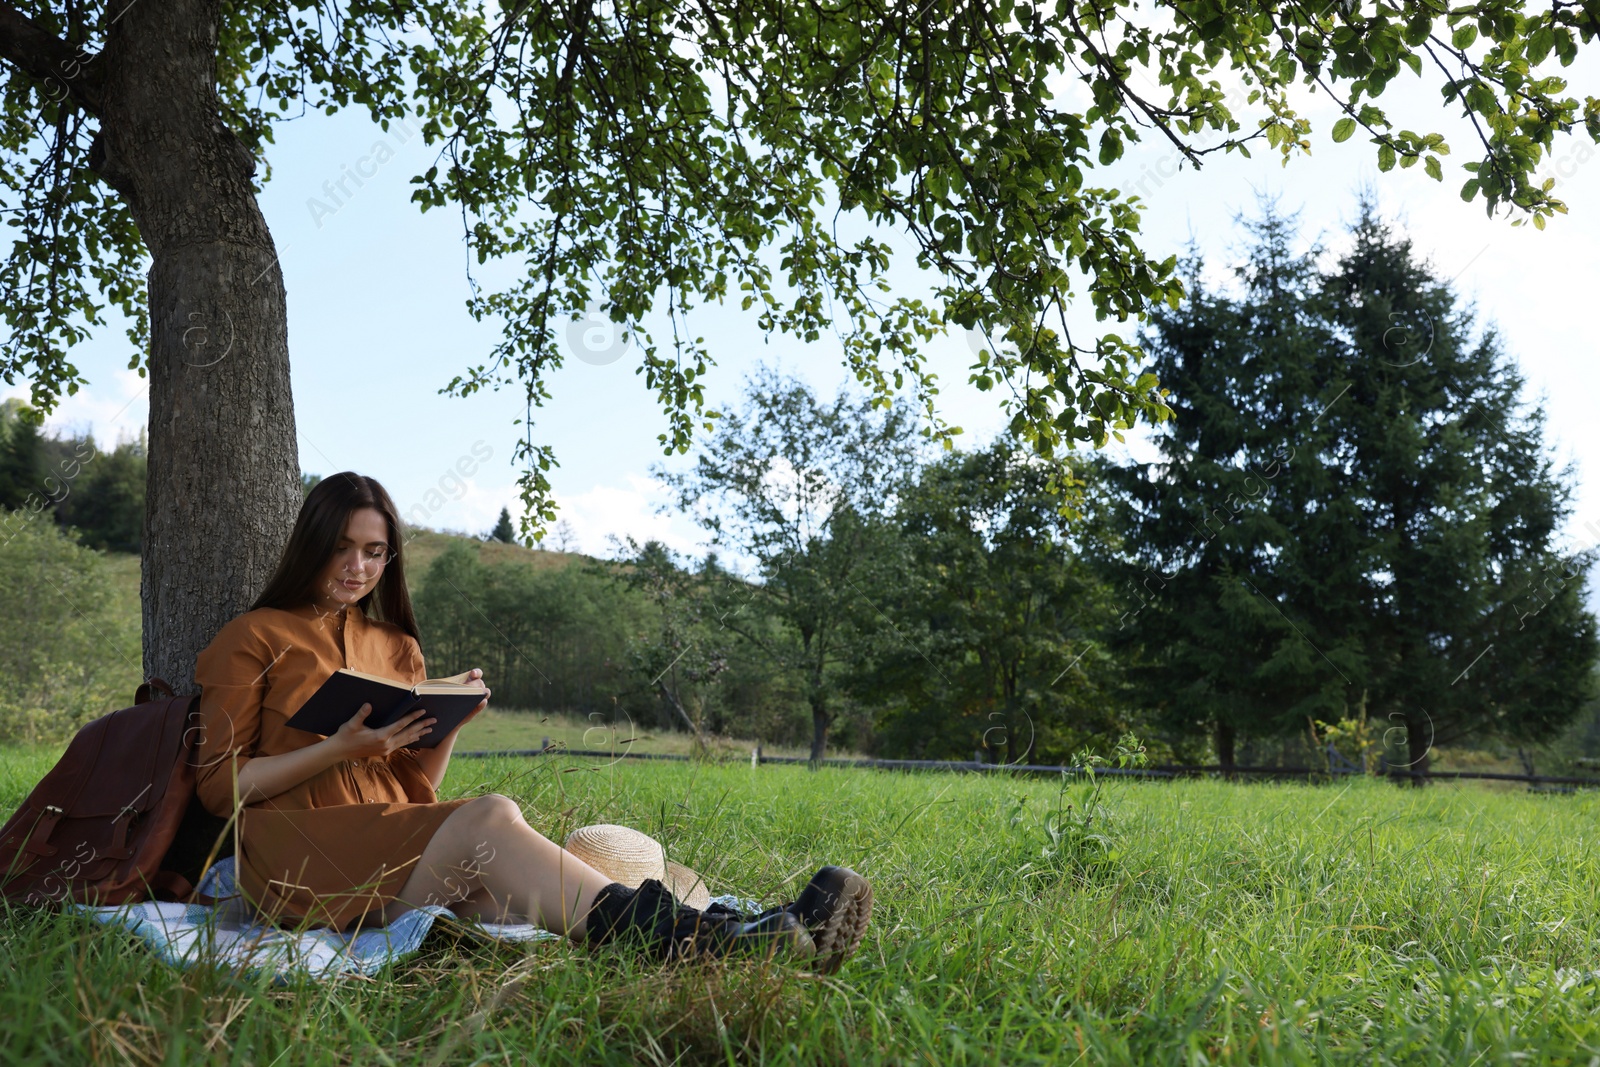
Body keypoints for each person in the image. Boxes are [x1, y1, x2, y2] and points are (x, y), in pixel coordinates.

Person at [190, 472, 872, 969]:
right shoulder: (252, 636)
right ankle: (709, 936)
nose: (358, 566)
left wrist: (448, 723)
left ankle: (736, 939)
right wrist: (338, 748)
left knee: (509, 897)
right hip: (297, 857)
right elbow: (219, 790)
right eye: (342, 547)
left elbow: (416, 793)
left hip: (389, 846)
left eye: (374, 551)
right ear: (311, 543)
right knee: (491, 817)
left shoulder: (396, 646)